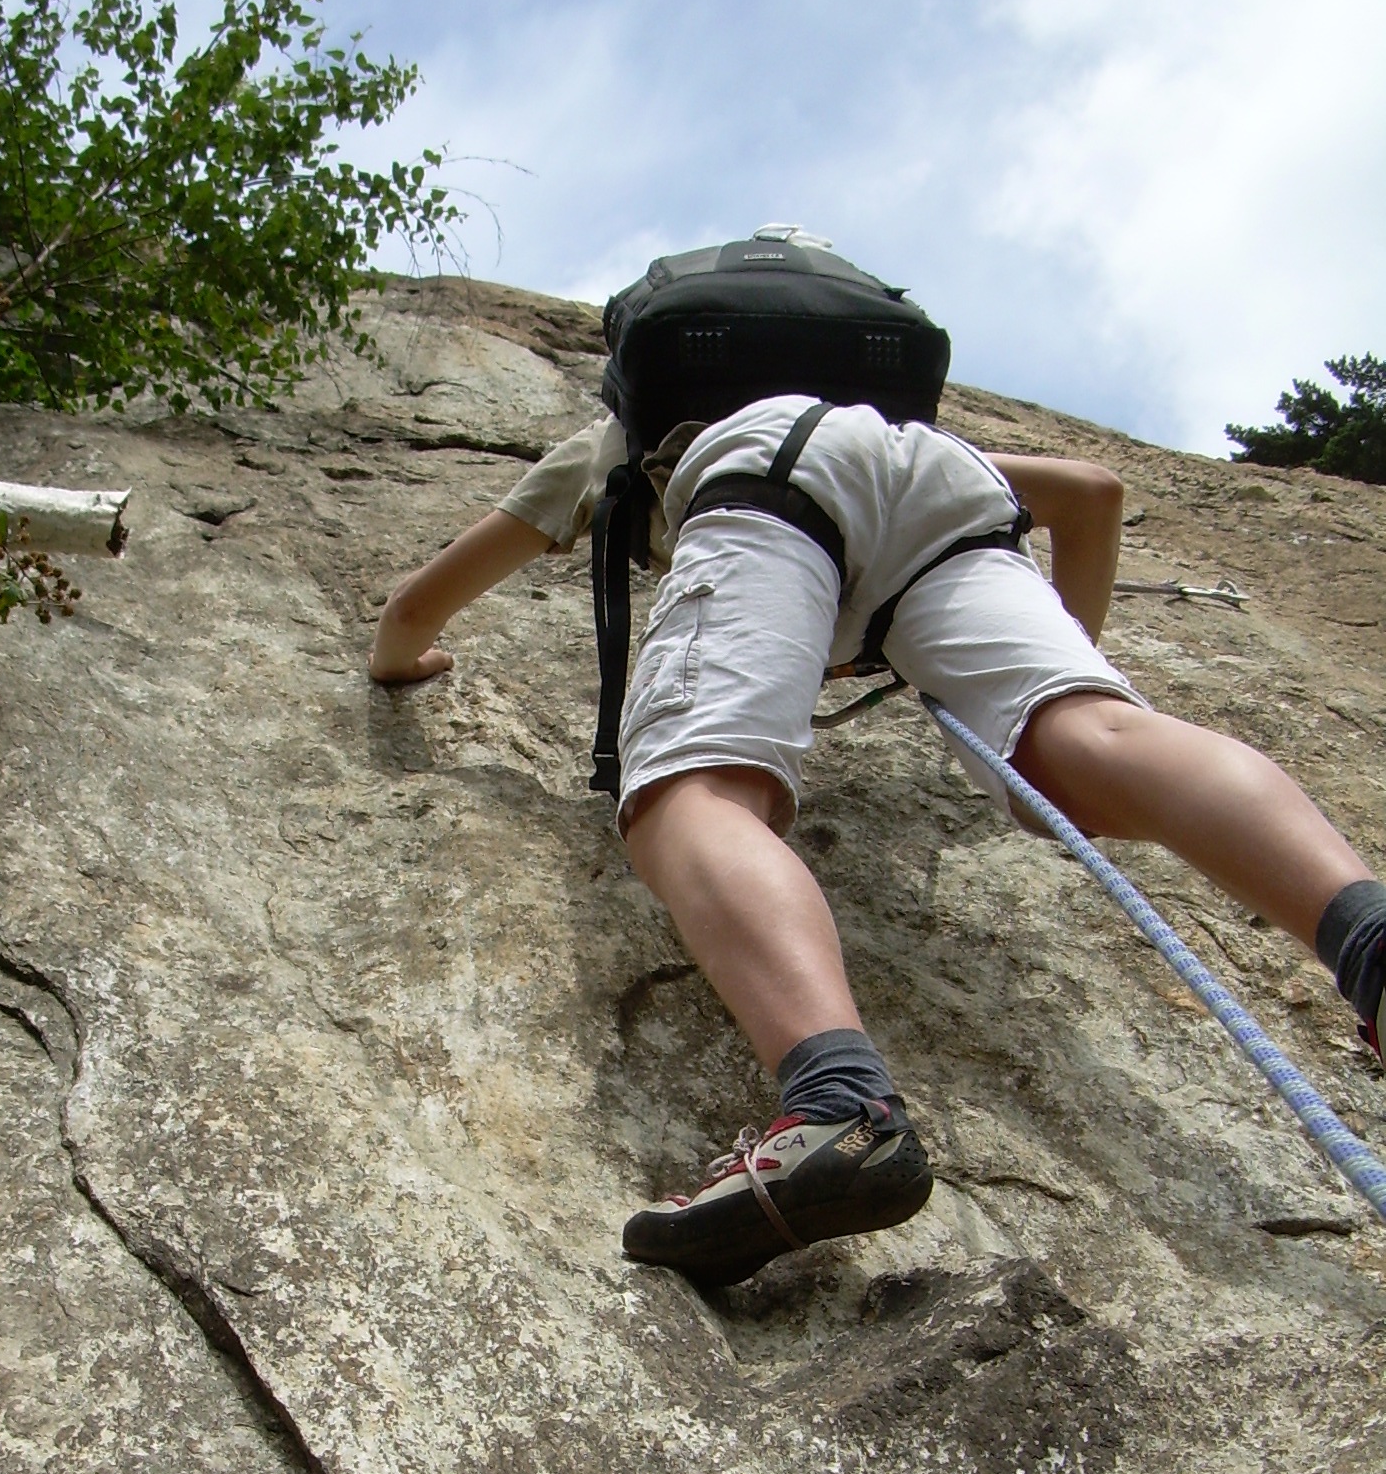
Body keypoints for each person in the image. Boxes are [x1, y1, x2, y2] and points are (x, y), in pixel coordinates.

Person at [370, 388, 1386, 1291]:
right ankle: (1368, 942)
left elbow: (414, 608)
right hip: (954, 497)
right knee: (1098, 737)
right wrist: (1041, 716)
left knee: (693, 793)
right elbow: (1092, 489)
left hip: (763, 483)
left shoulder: (631, 431)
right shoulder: (891, 420)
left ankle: (836, 1108)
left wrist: (400, 659)